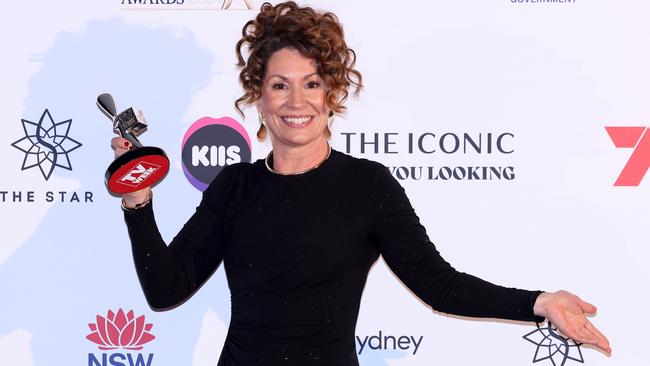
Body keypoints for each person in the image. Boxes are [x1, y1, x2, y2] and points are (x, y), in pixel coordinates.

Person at [112, 2, 610, 365]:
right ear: (258, 98)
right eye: (279, 85)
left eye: (311, 83)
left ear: (331, 95)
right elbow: (166, 290)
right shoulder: (234, 186)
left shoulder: (367, 186)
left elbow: (439, 285)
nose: (296, 101)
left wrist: (538, 303)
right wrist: (138, 204)